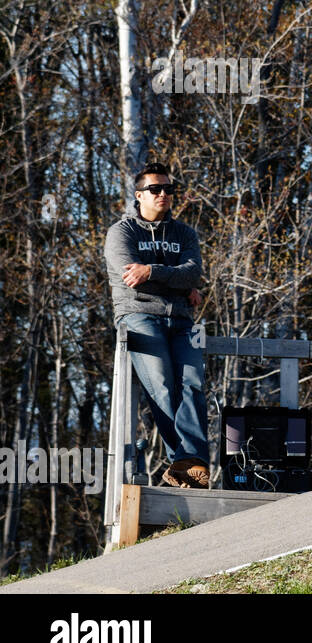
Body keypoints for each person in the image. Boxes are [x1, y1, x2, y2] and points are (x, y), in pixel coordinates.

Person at [103, 162, 209, 488]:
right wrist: (173, 280)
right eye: (155, 189)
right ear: (139, 195)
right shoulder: (122, 232)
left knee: (192, 381)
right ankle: (185, 459)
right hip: (138, 316)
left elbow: (194, 273)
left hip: (181, 318)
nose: (163, 194)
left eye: (168, 189)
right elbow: (132, 279)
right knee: (161, 382)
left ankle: (187, 464)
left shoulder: (184, 233)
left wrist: (152, 271)